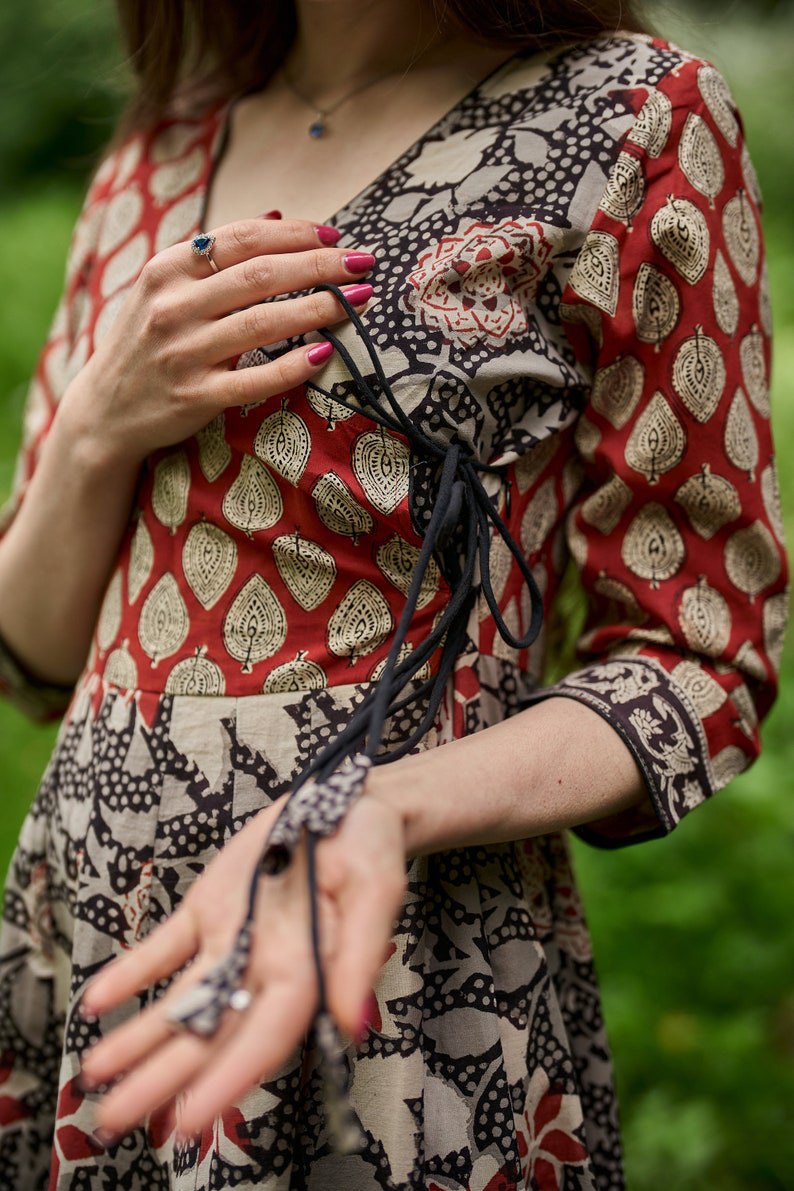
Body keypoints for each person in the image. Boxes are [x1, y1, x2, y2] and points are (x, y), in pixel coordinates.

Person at [0, 0, 787, 1186]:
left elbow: (699, 662)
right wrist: (94, 432)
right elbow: (33, 658)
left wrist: (375, 811)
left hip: (396, 949)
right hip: (97, 921)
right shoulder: (159, 149)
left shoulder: (633, 115)